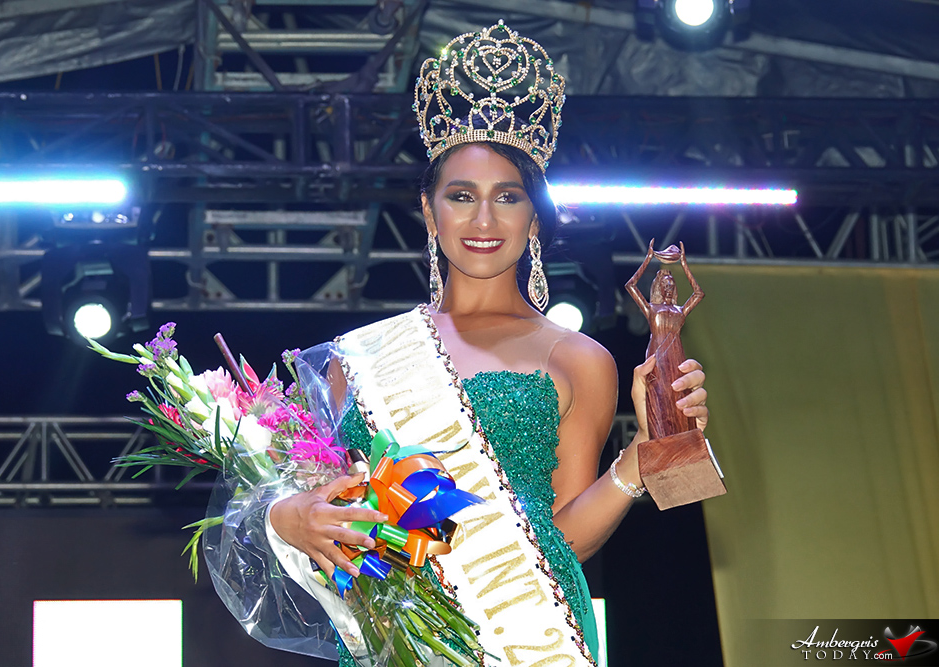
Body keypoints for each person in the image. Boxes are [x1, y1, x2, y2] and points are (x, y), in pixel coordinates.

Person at [264, 21, 709, 667]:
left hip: (525, 635)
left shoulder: (576, 358)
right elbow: (323, 509)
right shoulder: (357, 355)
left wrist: (648, 454)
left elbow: (562, 540)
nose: (482, 220)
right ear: (428, 209)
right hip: (394, 635)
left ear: (532, 213)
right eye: (461, 196)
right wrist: (288, 516)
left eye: (506, 197)